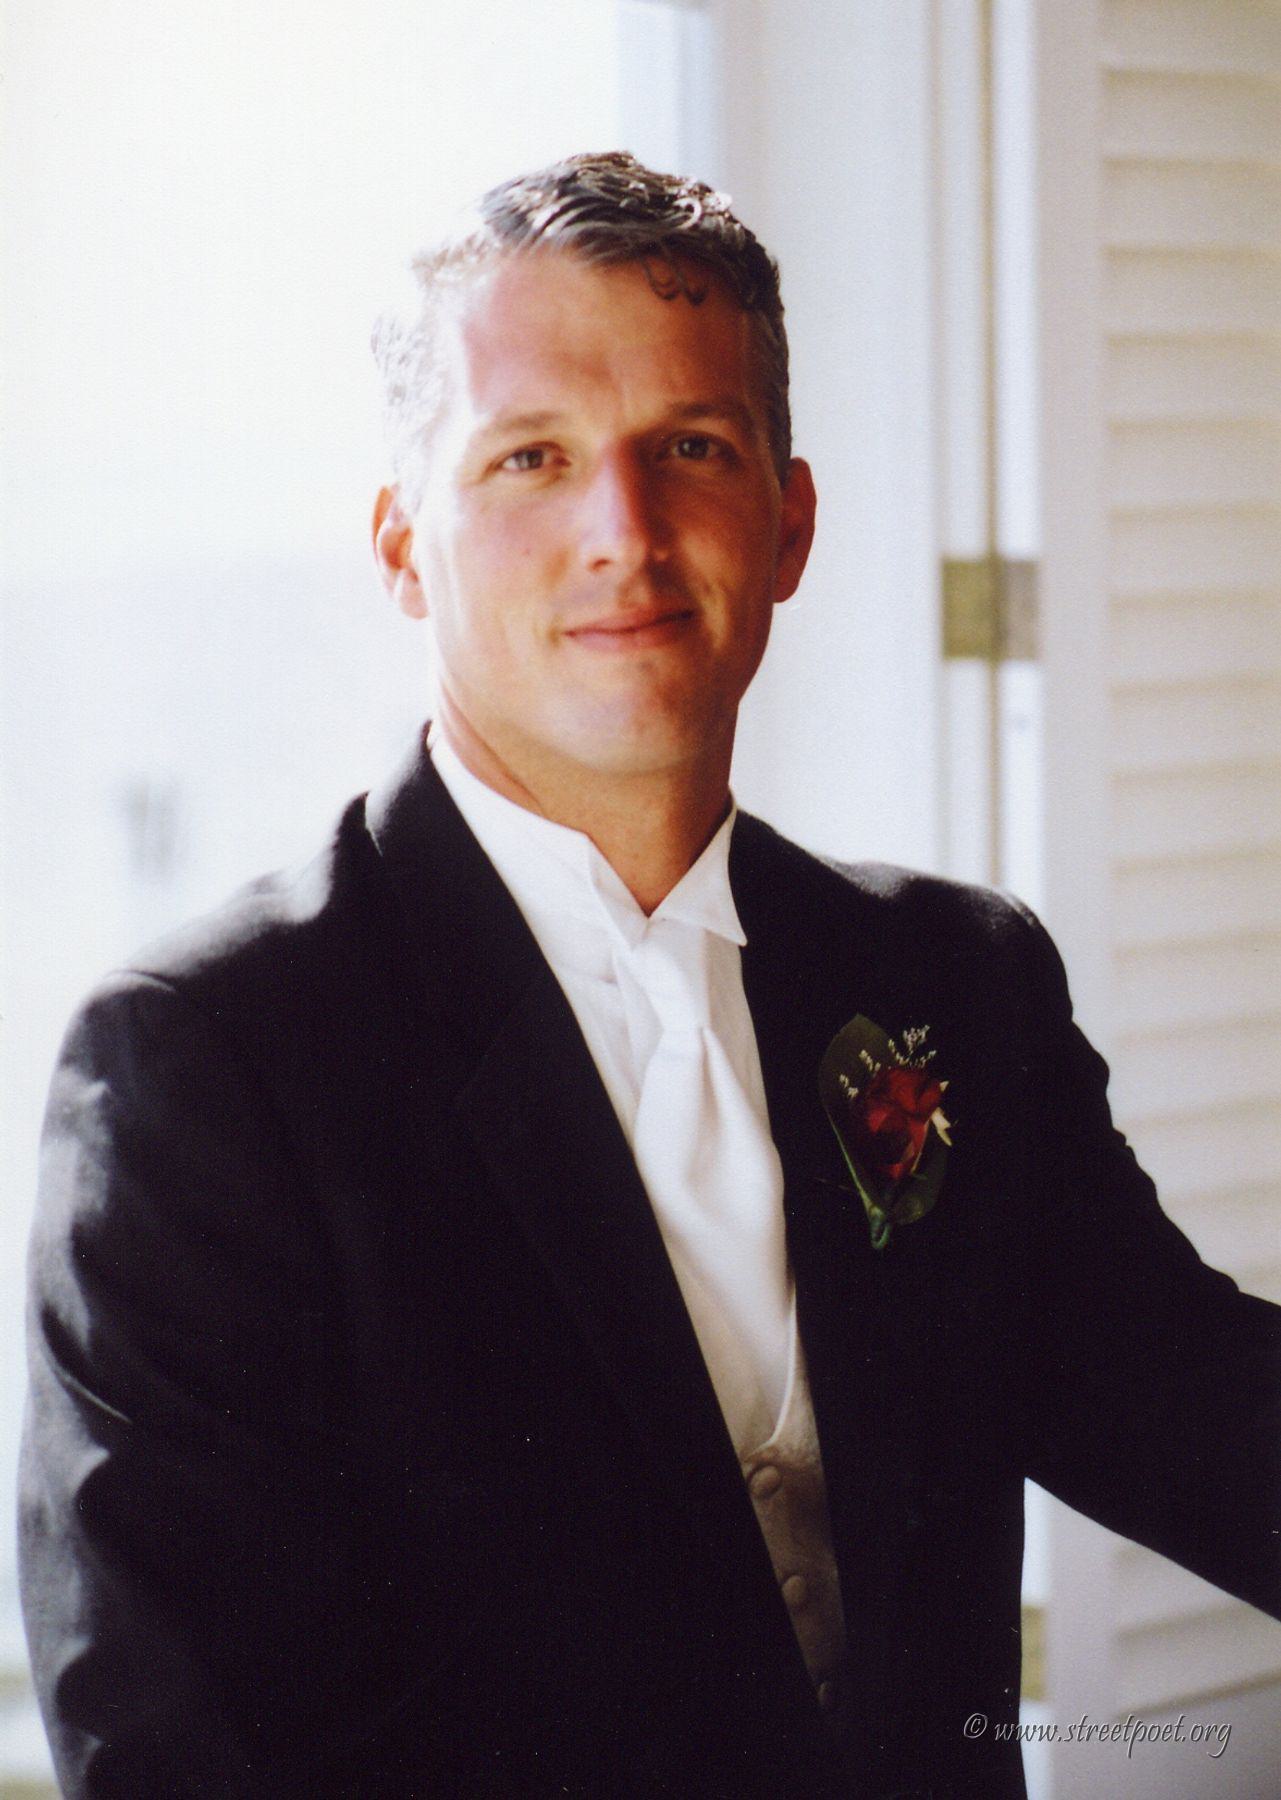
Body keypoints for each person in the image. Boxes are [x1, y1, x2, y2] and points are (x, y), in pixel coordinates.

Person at [18, 152, 1280, 1800]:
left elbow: (1204, 1421)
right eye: (529, 458)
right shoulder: (205, 1067)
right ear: (403, 547)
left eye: (689, 446)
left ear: (789, 521)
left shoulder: (955, 981)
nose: (622, 530)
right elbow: (181, 1756)